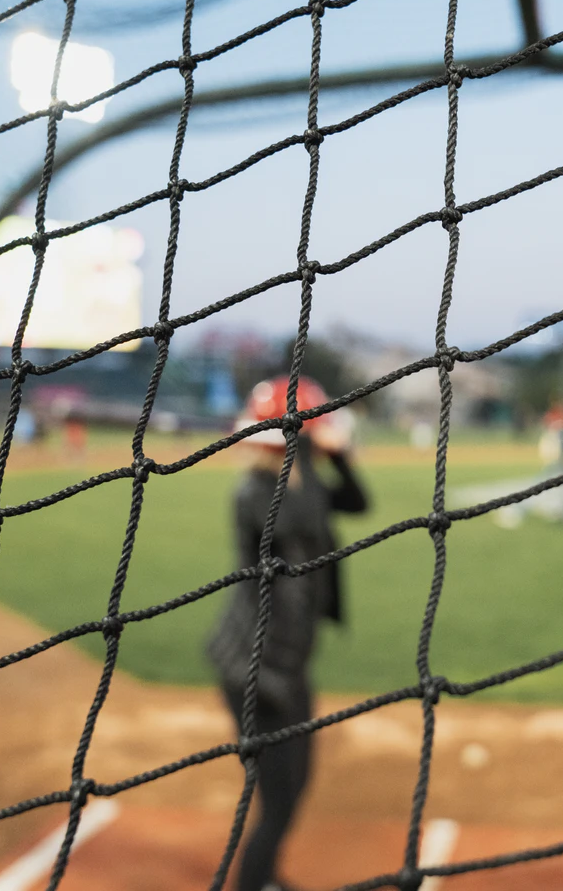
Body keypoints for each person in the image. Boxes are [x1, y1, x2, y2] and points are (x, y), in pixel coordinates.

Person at [207, 375, 368, 891]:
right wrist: (310, 442)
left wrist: (331, 454)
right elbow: (295, 522)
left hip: (290, 659)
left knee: (295, 785)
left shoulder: (307, 480)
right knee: (278, 799)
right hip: (256, 666)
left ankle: (268, 878)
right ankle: (251, 884)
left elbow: (359, 502)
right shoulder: (257, 493)